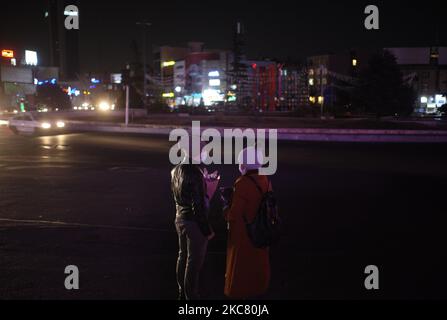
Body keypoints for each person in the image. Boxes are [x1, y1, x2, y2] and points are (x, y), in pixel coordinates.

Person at [223, 147, 271, 299]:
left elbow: (234, 214)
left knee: (241, 266)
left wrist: (225, 205)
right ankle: (259, 288)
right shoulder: (265, 180)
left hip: (244, 233)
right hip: (261, 230)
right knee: (258, 262)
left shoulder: (242, 183)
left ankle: (240, 292)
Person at [171, 147, 215, 300]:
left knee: (182, 256)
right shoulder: (195, 174)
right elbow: (198, 206)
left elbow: (182, 196)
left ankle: (182, 293)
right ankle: (191, 297)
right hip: (193, 223)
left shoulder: (175, 170)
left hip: (180, 218)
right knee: (194, 262)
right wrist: (206, 230)